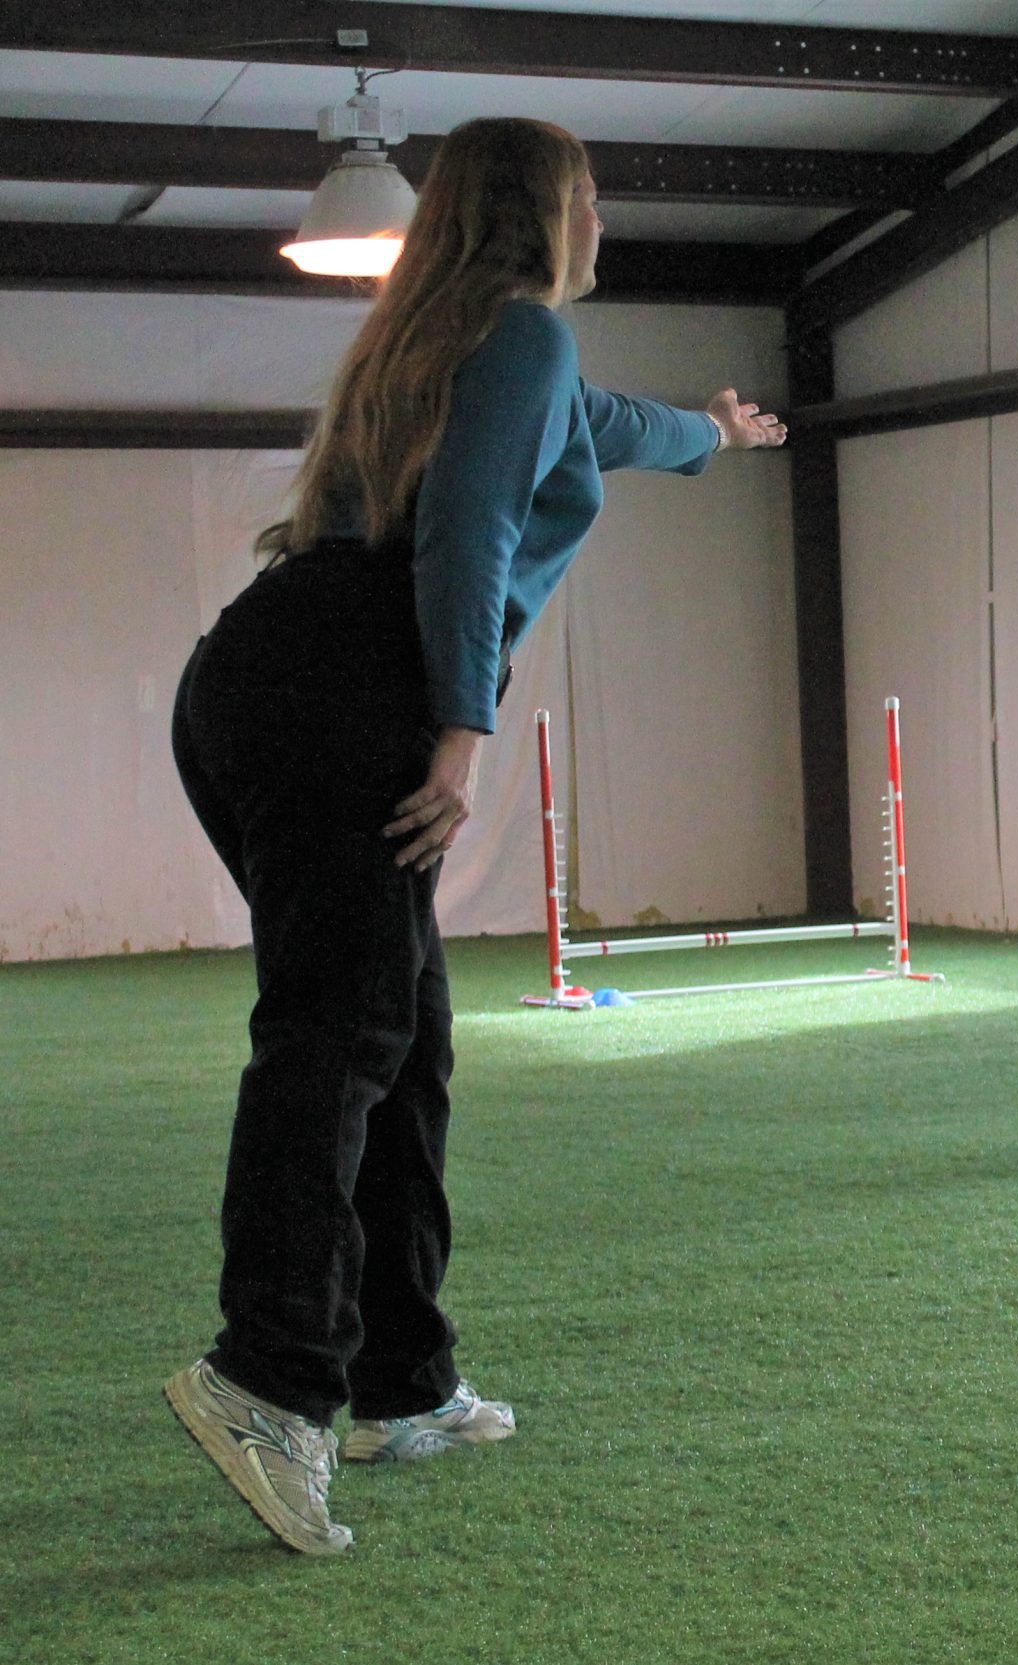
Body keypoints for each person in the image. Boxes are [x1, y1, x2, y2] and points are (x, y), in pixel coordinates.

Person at [163, 117, 785, 1555]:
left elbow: (605, 427)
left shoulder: (454, 346)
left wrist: (716, 435)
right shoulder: (517, 337)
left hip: (257, 677)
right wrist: (463, 725)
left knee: (401, 1031)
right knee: (339, 1028)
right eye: (590, 196)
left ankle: (402, 1378)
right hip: (351, 692)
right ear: (545, 213)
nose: (603, 219)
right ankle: (268, 1377)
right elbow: (469, 534)